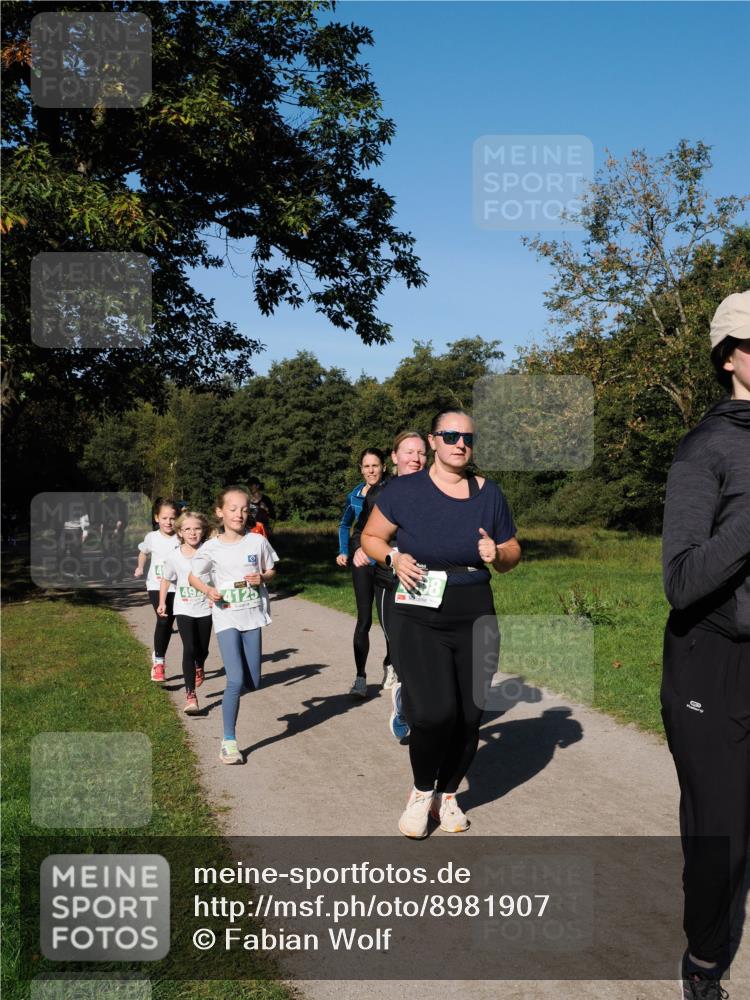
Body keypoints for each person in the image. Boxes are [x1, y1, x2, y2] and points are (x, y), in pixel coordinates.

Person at [362, 408, 521, 838]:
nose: (460, 443)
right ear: (433, 441)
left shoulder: (490, 494)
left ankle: (447, 795)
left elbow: (512, 551)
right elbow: (371, 538)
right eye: (450, 435)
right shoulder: (404, 491)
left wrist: (497, 555)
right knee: (434, 714)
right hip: (419, 610)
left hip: (474, 608)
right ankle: (420, 791)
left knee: (468, 716)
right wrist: (394, 557)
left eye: (467, 437)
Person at [661, 290, 750, 1000]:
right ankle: (704, 966)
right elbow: (683, 581)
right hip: (711, 664)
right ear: (731, 357)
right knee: (720, 835)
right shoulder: (705, 447)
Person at [189, 486, 278, 765]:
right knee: (235, 679)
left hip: (253, 617)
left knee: (253, 682)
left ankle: (239, 698)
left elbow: (272, 570)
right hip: (226, 616)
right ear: (220, 513)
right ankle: (229, 741)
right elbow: (194, 577)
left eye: (243, 509)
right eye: (233, 509)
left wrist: (263, 578)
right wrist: (208, 590)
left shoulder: (257, 542)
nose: (239, 514)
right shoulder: (211, 547)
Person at [350, 431, 428, 741]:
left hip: (428, 583)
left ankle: (422, 705)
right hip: (390, 581)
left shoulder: (440, 491)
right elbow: (362, 532)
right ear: (393, 458)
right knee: (402, 647)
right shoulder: (379, 495)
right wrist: (362, 547)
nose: (415, 458)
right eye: (407, 452)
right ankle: (404, 705)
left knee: (428, 650)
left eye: (421, 452)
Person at [336, 448, 388, 698]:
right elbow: (345, 524)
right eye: (366, 466)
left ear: (384, 468)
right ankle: (360, 677)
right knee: (364, 619)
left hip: (387, 562)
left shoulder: (392, 492)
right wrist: (345, 550)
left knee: (389, 620)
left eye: (375, 466)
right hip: (362, 561)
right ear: (361, 469)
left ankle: (391, 666)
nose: (371, 471)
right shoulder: (354, 496)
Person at [157, 511, 213, 715]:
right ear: (180, 532)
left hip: (206, 607)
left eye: (197, 528)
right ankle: (191, 696)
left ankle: (200, 664)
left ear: (204, 530)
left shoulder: (210, 551)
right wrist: (162, 601)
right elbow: (166, 578)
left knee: (203, 649)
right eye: (187, 529)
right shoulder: (174, 556)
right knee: (189, 647)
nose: (192, 532)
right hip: (184, 607)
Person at [134, 498, 180, 681]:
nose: (168, 522)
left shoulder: (182, 537)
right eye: (164, 518)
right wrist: (140, 567)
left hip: (177, 586)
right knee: (163, 619)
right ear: (156, 518)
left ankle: (158, 651)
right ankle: (159, 663)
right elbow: (143, 552)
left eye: (172, 518)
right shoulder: (151, 537)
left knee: (169, 624)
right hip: (156, 584)